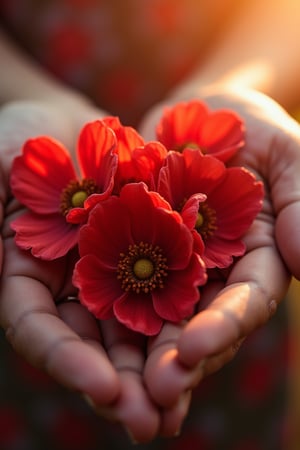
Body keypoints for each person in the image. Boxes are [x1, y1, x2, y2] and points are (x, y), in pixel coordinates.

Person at [0, 0, 300, 447]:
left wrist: (235, 84)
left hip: (227, 344)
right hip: (33, 373)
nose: (142, 268)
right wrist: (22, 93)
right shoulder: (82, 220)